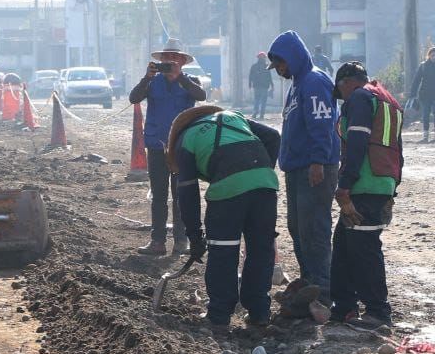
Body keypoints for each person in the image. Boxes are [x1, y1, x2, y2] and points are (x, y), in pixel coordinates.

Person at [168, 105, 281, 333]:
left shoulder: (185, 141)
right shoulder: (233, 116)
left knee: (223, 250)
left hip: (228, 192)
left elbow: (188, 193)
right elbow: (273, 136)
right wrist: (261, 170)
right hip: (265, 185)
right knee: (261, 249)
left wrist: (194, 235)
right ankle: (259, 312)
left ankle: (219, 316)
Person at [267, 30, 341, 324]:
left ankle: (323, 289)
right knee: (298, 227)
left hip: (314, 167)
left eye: (282, 64)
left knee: (315, 229)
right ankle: (309, 281)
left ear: (293, 58)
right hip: (298, 167)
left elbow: (321, 124)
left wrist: (318, 161)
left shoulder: (314, 82)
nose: (280, 70)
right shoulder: (297, 86)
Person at [330, 62, 403, 328]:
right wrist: (393, 186)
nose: (342, 99)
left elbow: (358, 141)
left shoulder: (360, 97)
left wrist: (345, 184)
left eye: (341, 92)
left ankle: (378, 312)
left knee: (364, 249)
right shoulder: (389, 101)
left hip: (364, 183)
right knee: (344, 245)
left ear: (347, 82)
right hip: (381, 183)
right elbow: (398, 147)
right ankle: (344, 307)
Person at [128, 38, 206, 256]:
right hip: (156, 145)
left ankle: (181, 242)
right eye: (166, 58)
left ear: (182, 61)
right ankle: (158, 241)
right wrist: (147, 77)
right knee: (159, 196)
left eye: (174, 58)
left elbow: (201, 96)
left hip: (181, 146)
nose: (169, 61)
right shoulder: (152, 82)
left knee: (181, 195)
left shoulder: (190, 81)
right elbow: (134, 98)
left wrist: (179, 77)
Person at [408, 47, 435, 142]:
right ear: (429, 56)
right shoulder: (423, 66)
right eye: (432, 55)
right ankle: (425, 137)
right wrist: (412, 94)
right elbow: (416, 80)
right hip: (425, 96)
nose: (434, 57)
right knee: (425, 115)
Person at [249, 52, 274, 119]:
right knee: (263, 101)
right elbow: (269, 77)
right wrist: (272, 85)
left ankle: (255, 113)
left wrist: (250, 84)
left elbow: (250, 76)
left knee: (257, 100)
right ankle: (261, 114)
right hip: (264, 86)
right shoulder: (266, 66)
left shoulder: (254, 66)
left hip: (257, 86)